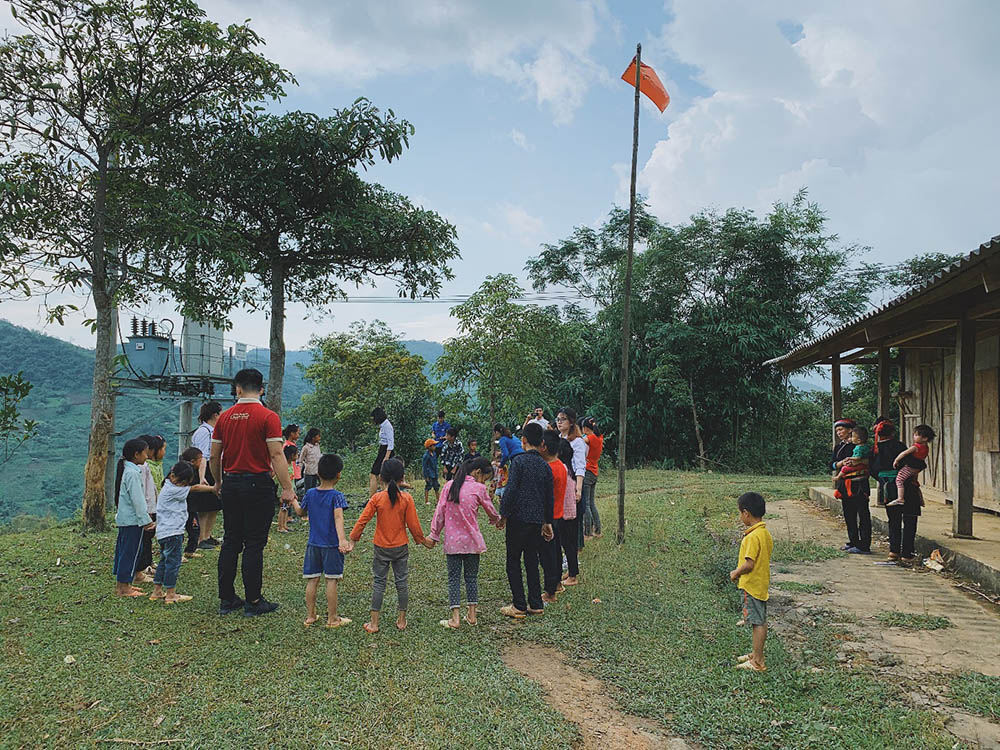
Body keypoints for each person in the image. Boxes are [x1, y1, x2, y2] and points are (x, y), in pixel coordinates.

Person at [210, 368, 293, 618]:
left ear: (237, 389)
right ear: (262, 388)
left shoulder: (224, 418)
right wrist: (288, 488)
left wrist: (218, 482)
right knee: (254, 543)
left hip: (231, 484)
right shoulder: (268, 417)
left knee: (231, 540)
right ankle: (253, 601)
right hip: (258, 485)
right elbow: (277, 455)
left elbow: (214, 455)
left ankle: (227, 599)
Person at [350, 458, 434, 634]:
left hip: (381, 548)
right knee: (401, 583)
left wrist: (353, 540)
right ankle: (402, 620)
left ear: (381, 478)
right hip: (400, 547)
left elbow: (362, 521)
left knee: (379, 583)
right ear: (402, 478)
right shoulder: (407, 499)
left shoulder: (376, 498)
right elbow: (414, 526)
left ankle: (374, 623)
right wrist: (423, 541)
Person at [428, 456, 503, 629]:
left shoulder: (449, 486)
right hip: (472, 542)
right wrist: (498, 521)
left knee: (453, 579)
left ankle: (455, 618)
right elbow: (491, 510)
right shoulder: (478, 488)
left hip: (453, 544)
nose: (484, 481)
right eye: (485, 477)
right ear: (477, 472)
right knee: (471, 578)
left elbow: (440, 513)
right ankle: (472, 615)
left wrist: (434, 534)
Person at [499, 422, 554, 619]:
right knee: (531, 560)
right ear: (541, 443)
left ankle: (519, 605)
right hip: (536, 521)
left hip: (518, 519)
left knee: (513, 560)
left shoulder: (519, 462)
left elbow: (511, 491)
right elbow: (550, 497)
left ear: (523, 441)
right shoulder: (545, 466)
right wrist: (547, 522)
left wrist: (503, 515)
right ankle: (536, 604)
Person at [291, 453, 353, 628]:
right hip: (331, 546)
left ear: (318, 474)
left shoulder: (310, 494)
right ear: (338, 475)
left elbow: (300, 512)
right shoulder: (337, 496)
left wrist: (293, 501)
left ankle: (310, 616)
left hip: (313, 545)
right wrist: (342, 539)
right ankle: (332, 618)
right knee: (331, 580)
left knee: (312, 580)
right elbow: (338, 517)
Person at [149, 460, 215, 604]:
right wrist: (213, 488)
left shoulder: (167, 486)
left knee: (164, 561)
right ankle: (171, 594)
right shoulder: (173, 490)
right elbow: (196, 488)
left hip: (163, 533)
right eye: (182, 482)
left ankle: (157, 591)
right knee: (173, 563)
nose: (184, 486)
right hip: (173, 533)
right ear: (172, 476)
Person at [730, 491, 773, 673]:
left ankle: (758, 662)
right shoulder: (764, 533)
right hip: (761, 583)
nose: (740, 517)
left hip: (752, 585)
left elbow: (749, 563)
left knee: (757, 623)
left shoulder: (751, 537)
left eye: (740, 513)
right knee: (760, 621)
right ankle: (755, 654)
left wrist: (735, 572)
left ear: (746, 513)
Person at [868, 422, 917, 561]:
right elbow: (912, 463)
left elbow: (872, 470)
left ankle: (894, 551)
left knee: (894, 520)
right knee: (909, 518)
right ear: (893, 433)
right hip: (907, 485)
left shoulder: (875, 450)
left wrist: (884, 479)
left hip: (888, 487)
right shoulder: (900, 446)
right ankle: (907, 553)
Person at [112, 438, 153, 597]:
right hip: (132, 521)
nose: (147, 456)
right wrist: (146, 520)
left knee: (125, 551)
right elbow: (138, 500)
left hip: (125, 519)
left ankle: (124, 584)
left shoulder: (128, 471)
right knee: (130, 552)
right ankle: (123, 588)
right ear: (136, 455)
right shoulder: (132, 474)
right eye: (145, 452)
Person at [833, 425, 872, 554]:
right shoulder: (839, 447)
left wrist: (859, 462)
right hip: (845, 483)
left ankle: (864, 544)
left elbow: (869, 460)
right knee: (849, 513)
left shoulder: (861, 446)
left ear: (850, 431)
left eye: (841, 429)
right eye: (837, 430)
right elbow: (832, 463)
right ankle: (853, 541)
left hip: (859, 482)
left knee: (862, 513)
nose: (839, 433)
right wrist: (841, 463)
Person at [538, 429, 566, 604]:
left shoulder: (548, 469)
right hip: (558, 515)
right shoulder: (561, 466)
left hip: (548, 518)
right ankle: (556, 584)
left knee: (547, 557)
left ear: (544, 447)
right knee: (555, 552)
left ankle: (550, 593)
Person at [191, 401, 223, 549]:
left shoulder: (214, 431)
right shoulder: (204, 431)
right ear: (215, 415)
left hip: (214, 468)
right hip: (206, 469)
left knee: (214, 505)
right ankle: (201, 537)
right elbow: (202, 456)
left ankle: (208, 535)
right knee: (204, 506)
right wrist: (202, 476)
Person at [556, 408, 587, 548]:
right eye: (558, 419)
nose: (559, 422)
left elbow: (580, 467)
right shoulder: (559, 438)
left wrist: (578, 489)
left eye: (563, 419)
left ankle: (573, 554)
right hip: (560, 481)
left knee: (572, 521)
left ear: (571, 422)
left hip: (573, 481)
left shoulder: (578, 442)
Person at [137, 434, 166, 577]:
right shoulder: (144, 467)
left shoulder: (155, 465)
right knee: (145, 537)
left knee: (149, 536)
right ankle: (143, 566)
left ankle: (148, 562)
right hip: (149, 506)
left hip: (154, 505)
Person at [892, 424, 936, 504]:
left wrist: (896, 460)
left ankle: (900, 498)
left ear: (924, 438)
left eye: (916, 435)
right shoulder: (926, 447)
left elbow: (904, 453)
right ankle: (920, 499)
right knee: (914, 483)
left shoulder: (916, 447)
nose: (914, 436)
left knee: (899, 480)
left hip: (911, 467)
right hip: (918, 468)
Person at [557, 438, 580, 586]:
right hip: (570, 512)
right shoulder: (569, 468)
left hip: (566, 513)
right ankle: (572, 571)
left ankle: (573, 576)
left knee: (568, 545)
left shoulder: (563, 469)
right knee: (569, 544)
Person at [179, 447, 207, 560]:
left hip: (191, 507)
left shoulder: (195, 470)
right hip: (182, 507)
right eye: (199, 459)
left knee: (195, 530)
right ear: (192, 461)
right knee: (179, 531)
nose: (202, 461)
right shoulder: (184, 472)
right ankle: (177, 553)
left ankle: (190, 551)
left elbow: (205, 460)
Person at [581, 417, 603, 540]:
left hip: (588, 472)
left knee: (587, 504)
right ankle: (598, 530)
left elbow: (584, 439)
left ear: (585, 428)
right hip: (594, 471)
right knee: (592, 502)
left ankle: (588, 532)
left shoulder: (591, 438)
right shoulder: (599, 438)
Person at [369, 407, 394, 497]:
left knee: (373, 474)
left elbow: (391, 443)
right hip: (382, 449)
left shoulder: (387, 426)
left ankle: (372, 499)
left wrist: (386, 457)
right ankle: (385, 496)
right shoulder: (383, 425)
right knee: (381, 477)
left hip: (386, 451)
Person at [276, 444, 298, 533]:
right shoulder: (284, 465)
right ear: (292, 455)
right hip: (284, 491)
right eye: (296, 454)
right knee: (283, 508)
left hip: (290, 490)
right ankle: (280, 526)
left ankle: (284, 525)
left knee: (286, 508)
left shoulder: (290, 464)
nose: (297, 456)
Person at [421, 438, 440, 506]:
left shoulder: (434, 454)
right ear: (429, 447)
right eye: (433, 445)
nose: (435, 447)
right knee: (428, 486)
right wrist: (426, 476)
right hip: (429, 474)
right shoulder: (426, 456)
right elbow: (424, 467)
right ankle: (426, 501)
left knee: (436, 486)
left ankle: (438, 500)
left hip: (435, 473)